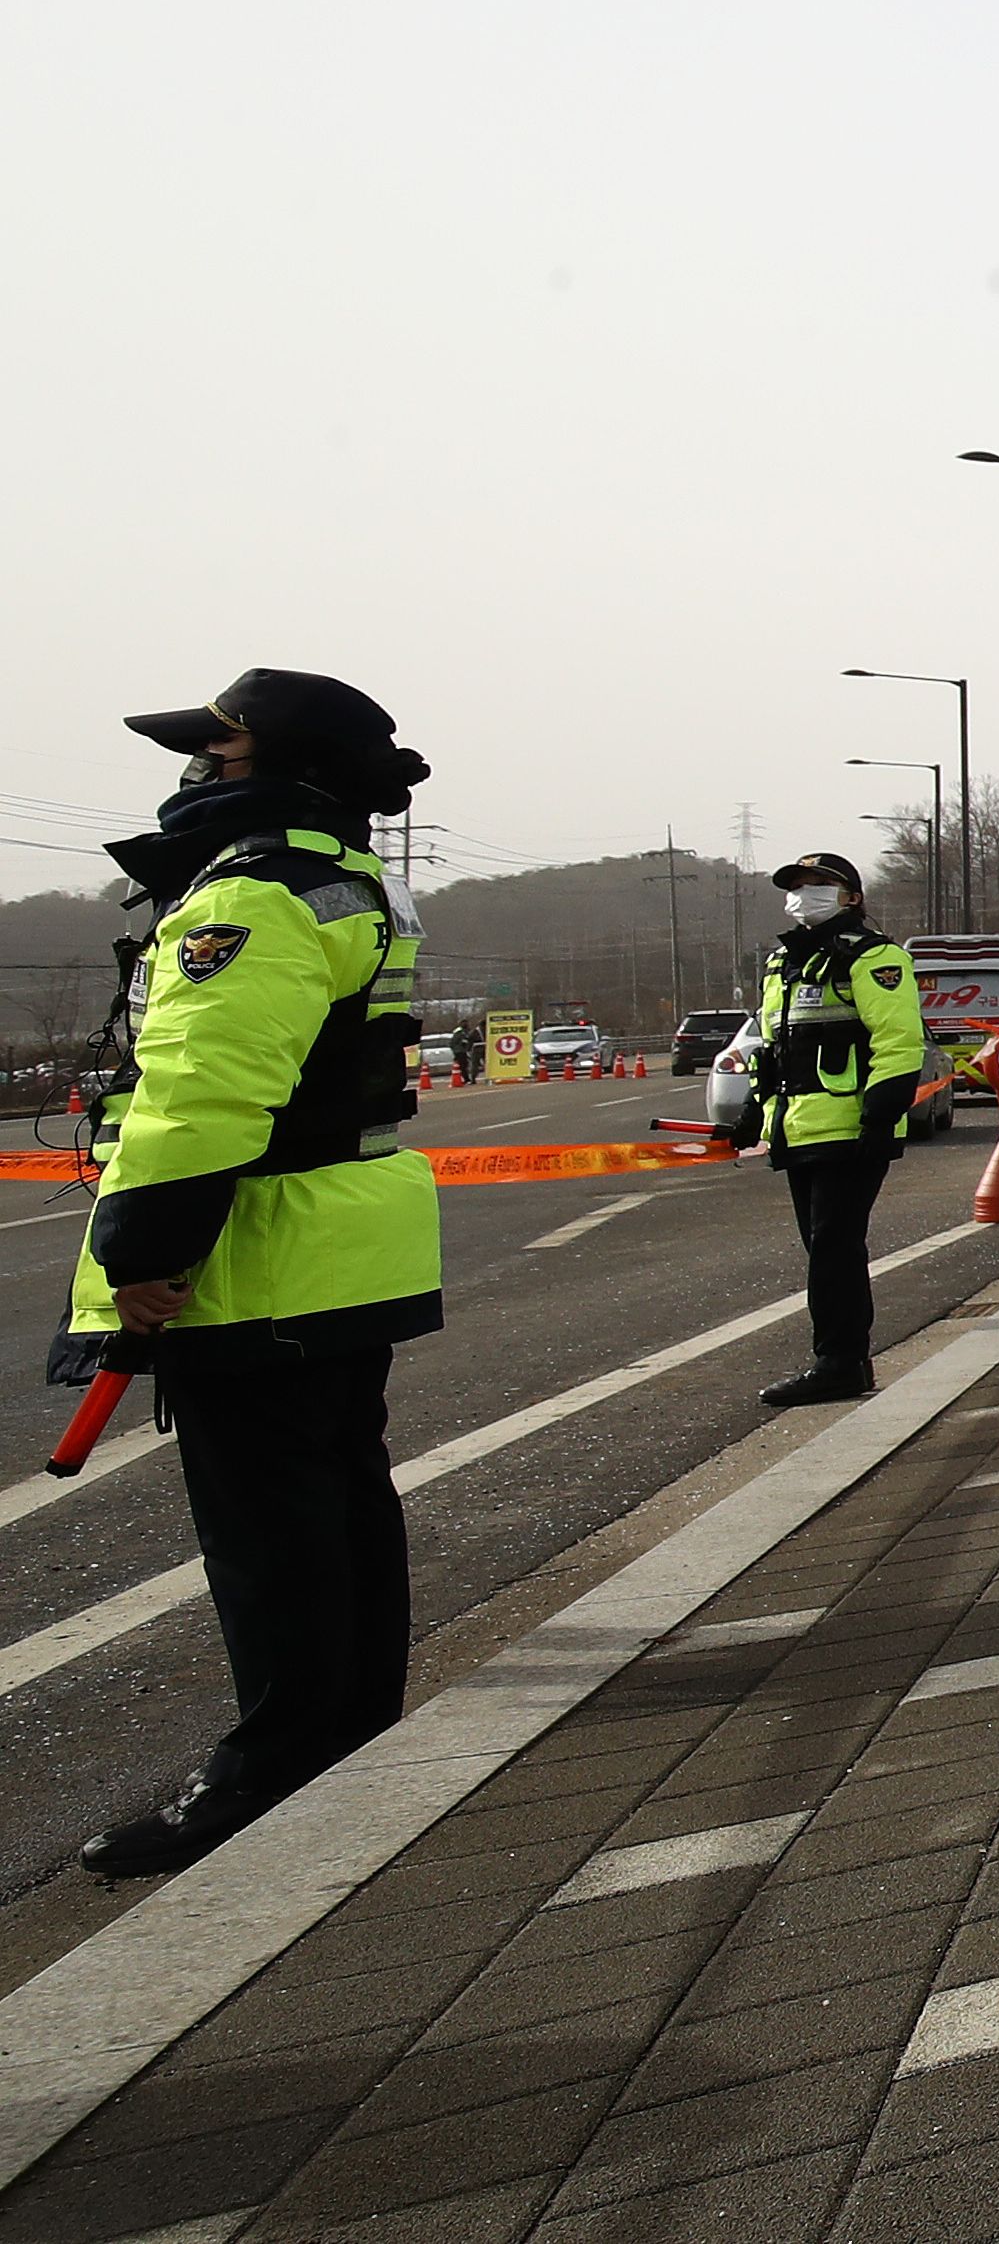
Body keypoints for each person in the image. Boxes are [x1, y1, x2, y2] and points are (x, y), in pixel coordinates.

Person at [64, 669, 440, 1877]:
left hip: (259, 1252)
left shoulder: (259, 894)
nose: (191, 773)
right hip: (329, 1240)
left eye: (212, 754)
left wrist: (144, 1250)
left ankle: (273, 1776)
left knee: (272, 1533)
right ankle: (351, 1742)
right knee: (336, 1507)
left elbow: (206, 1089)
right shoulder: (341, 878)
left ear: (279, 765)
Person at [736, 852, 925, 1405]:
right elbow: (775, 1048)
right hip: (800, 1130)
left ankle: (839, 1362)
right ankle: (845, 1360)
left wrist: (881, 1113)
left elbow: (897, 1039)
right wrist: (755, 1108)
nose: (804, 895)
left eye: (819, 885)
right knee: (824, 1248)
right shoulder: (786, 964)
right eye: (796, 886)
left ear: (852, 897)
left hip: (850, 1129)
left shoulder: (873, 957)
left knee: (833, 1247)